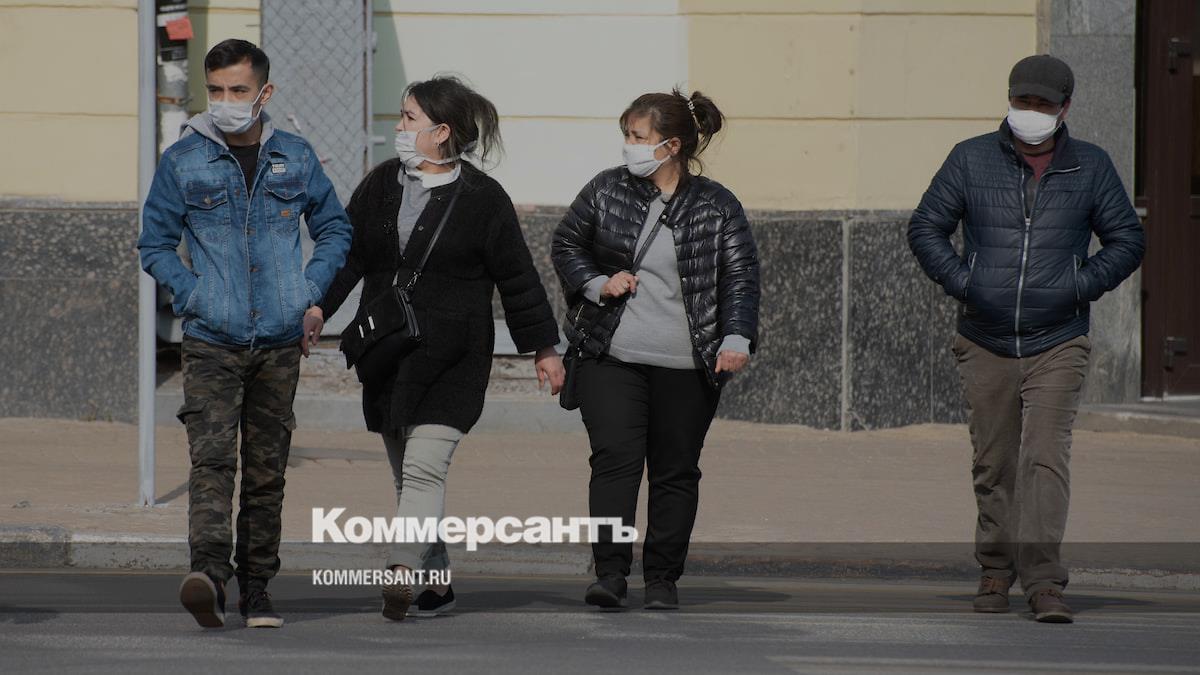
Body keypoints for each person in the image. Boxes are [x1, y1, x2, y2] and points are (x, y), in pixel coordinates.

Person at [312, 75, 565, 621]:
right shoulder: (381, 184)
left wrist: (544, 347)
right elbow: (349, 258)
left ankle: (401, 570)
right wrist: (315, 310)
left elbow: (517, 277)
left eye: (409, 118)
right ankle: (437, 583)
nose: (399, 127)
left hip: (454, 358)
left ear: (442, 131)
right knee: (408, 478)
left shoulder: (483, 199)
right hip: (388, 352)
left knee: (425, 471)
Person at [908, 55, 1145, 623]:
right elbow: (926, 227)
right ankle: (995, 569)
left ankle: (1043, 582)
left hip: (1058, 338)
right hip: (984, 338)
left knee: (1044, 458)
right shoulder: (970, 158)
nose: (1030, 112)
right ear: (1010, 100)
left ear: (1065, 108)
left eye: (1042, 104)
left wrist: (1079, 284)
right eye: (1022, 101)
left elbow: (1126, 239)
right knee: (994, 463)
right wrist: (965, 282)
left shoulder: (1091, 165)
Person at [138, 39, 352, 629]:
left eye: (238, 90)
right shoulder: (184, 160)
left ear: (264, 93)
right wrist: (192, 293)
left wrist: (309, 290)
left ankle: (257, 590)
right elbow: (155, 243)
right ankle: (208, 577)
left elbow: (335, 229)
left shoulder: (295, 157)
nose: (226, 101)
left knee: (266, 471)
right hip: (211, 338)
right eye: (216, 90)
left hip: (279, 342)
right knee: (211, 463)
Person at [551, 89, 761, 610]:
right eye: (627, 135)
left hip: (688, 365)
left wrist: (736, 336)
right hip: (611, 356)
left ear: (671, 146)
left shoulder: (717, 205)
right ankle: (611, 574)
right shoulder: (607, 189)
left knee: (675, 470)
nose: (629, 145)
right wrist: (598, 283)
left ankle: (663, 578)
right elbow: (566, 244)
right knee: (614, 462)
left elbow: (740, 276)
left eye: (638, 136)